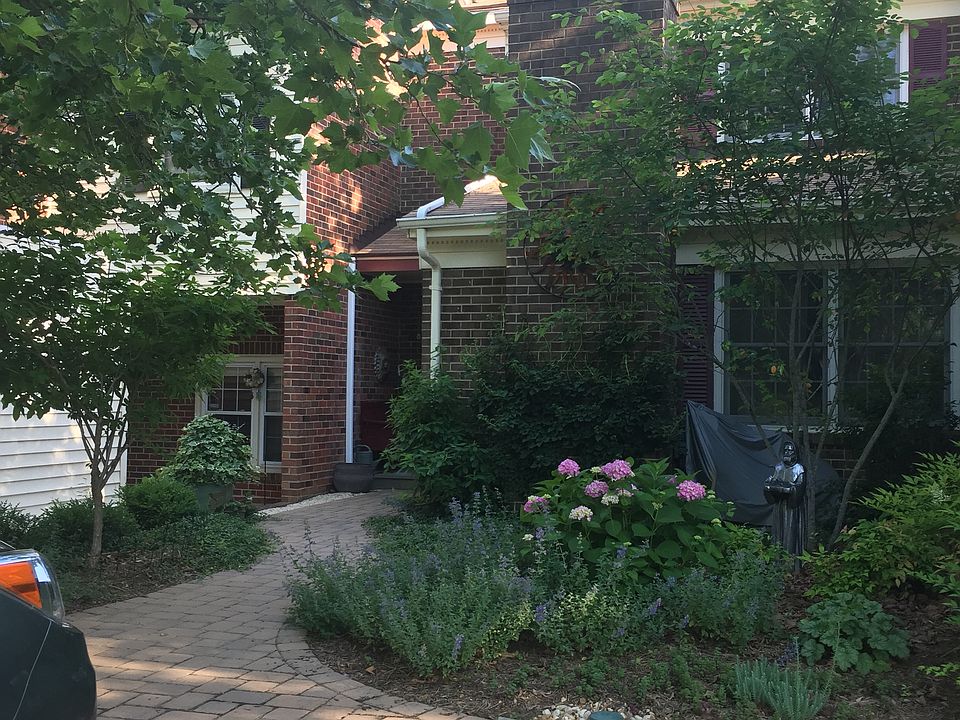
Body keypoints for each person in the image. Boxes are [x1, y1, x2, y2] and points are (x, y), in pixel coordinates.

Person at [764, 440, 807, 560]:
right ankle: (777, 560)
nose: (788, 452)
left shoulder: (800, 469)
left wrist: (790, 490)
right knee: (779, 533)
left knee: (790, 533)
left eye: (790, 450)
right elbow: (773, 481)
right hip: (780, 505)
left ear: (795, 453)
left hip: (793, 508)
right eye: (786, 450)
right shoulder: (778, 467)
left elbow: (799, 487)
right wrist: (769, 485)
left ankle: (791, 562)